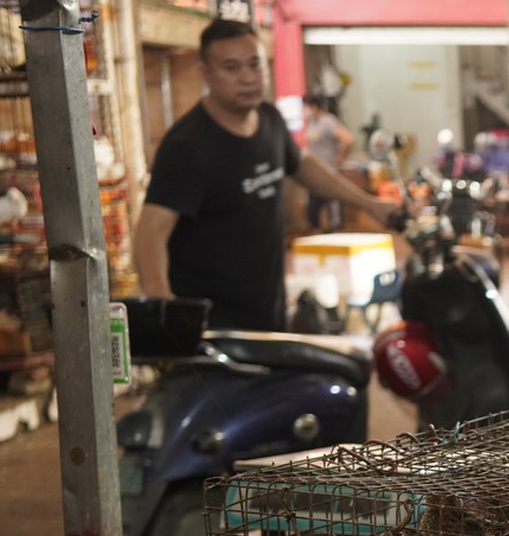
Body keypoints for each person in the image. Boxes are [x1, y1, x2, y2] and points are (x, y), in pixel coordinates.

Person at [133, 19, 395, 331]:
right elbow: (151, 232)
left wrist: (369, 204)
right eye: (231, 68)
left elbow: (303, 165)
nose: (247, 78)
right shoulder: (188, 146)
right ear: (205, 74)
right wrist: (165, 309)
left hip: (267, 313)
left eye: (255, 64)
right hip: (214, 328)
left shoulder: (269, 119)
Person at [301, 93, 354, 232]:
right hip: (315, 171)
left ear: (314, 107)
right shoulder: (312, 123)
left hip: (328, 170)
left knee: (332, 203)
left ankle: (336, 230)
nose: (305, 110)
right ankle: (318, 230)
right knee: (313, 207)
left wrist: (339, 159)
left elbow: (348, 140)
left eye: (306, 107)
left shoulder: (328, 122)